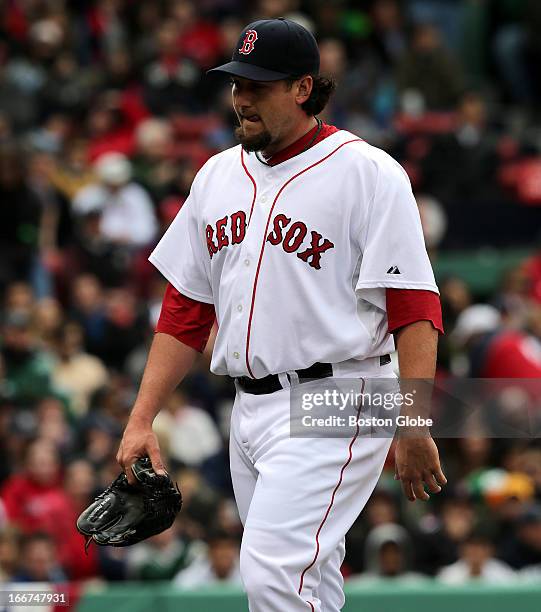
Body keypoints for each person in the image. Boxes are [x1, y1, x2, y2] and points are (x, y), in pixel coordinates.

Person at [117, 18, 446, 612]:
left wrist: (413, 418)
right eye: (236, 83)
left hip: (340, 392)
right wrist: (142, 419)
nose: (240, 98)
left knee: (272, 571)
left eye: (258, 86)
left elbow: (414, 307)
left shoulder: (368, 173)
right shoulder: (217, 176)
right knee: (307, 581)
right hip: (248, 405)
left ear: (302, 88)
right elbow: (186, 310)